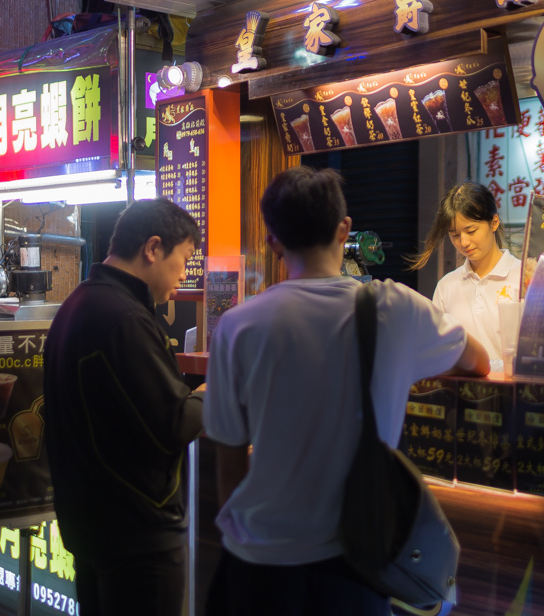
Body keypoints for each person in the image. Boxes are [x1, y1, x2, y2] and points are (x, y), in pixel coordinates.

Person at [203, 167, 489, 616]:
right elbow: (479, 360)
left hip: (259, 562)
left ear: (273, 241)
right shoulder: (396, 307)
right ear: (344, 230)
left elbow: (229, 459)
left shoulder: (238, 326)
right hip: (356, 561)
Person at [43, 198, 205, 616]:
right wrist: (210, 394)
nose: (185, 274)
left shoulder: (78, 304)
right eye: (184, 259)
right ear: (152, 248)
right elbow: (173, 422)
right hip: (138, 538)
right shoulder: (123, 318)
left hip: (92, 529)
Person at [409, 180, 522, 363]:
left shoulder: (523, 278)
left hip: (510, 390)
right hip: (459, 390)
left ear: (493, 223)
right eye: (455, 235)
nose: (463, 242)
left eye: (471, 231)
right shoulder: (446, 286)